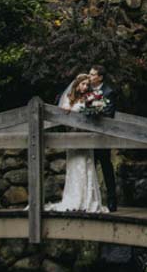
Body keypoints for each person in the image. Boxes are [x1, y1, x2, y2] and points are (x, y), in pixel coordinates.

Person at [43, 74, 109, 213]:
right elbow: (62, 116)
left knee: (87, 166)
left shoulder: (90, 98)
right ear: (77, 84)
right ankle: (74, 198)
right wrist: (66, 108)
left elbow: (94, 115)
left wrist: (96, 107)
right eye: (83, 84)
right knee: (75, 166)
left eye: (87, 85)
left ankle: (88, 200)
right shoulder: (69, 99)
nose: (85, 87)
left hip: (85, 138)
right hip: (72, 138)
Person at [87, 65, 118, 212]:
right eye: (90, 74)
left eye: (93, 74)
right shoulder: (85, 89)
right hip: (86, 136)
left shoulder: (109, 92)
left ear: (100, 77)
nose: (90, 76)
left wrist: (95, 109)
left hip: (102, 136)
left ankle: (112, 200)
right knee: (89, 167)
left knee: (106, 166)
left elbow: (109, 113)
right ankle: (90, 199)